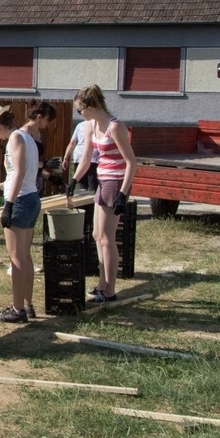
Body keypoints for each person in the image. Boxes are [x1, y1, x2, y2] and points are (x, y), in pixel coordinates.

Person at [66, 84, 137, 303]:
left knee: (107, 238)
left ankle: (110, 290)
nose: (80, 114)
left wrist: (123, 194)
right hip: (101, 179)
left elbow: (131, 163)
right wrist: (74, 180)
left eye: (80, 109)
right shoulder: (90, 126)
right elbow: (87, 159)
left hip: (115, 182)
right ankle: (101, 284)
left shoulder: (114, 127)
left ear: (91, 105)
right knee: (97, 235)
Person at [0, 104, 41, 323]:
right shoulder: (27, 137)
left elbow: (19, 173)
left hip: (21, 200)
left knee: (16, 257)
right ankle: (27, 304)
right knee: (24, 256)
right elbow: (20, 173)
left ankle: (17, 310)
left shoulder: (14, 139)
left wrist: (8, 203)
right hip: (31, 197)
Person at [19, 99, 62, 195]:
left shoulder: (37, 133)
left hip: (37, 181)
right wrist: (45, 163)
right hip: (26, 185)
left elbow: (35, 165)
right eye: (47, 120)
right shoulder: (24, 133)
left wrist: (50, 177)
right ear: (39, 117)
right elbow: (25, 163)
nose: (48, 123)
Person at [62, 119, 99, 192]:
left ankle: (83, 200)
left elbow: (72, 143)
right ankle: (91, 201)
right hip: (93, 157)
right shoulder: (99, 124)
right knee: (93, 184)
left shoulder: (80, 125)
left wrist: (66, 158)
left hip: (79, 156)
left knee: (82, 184)